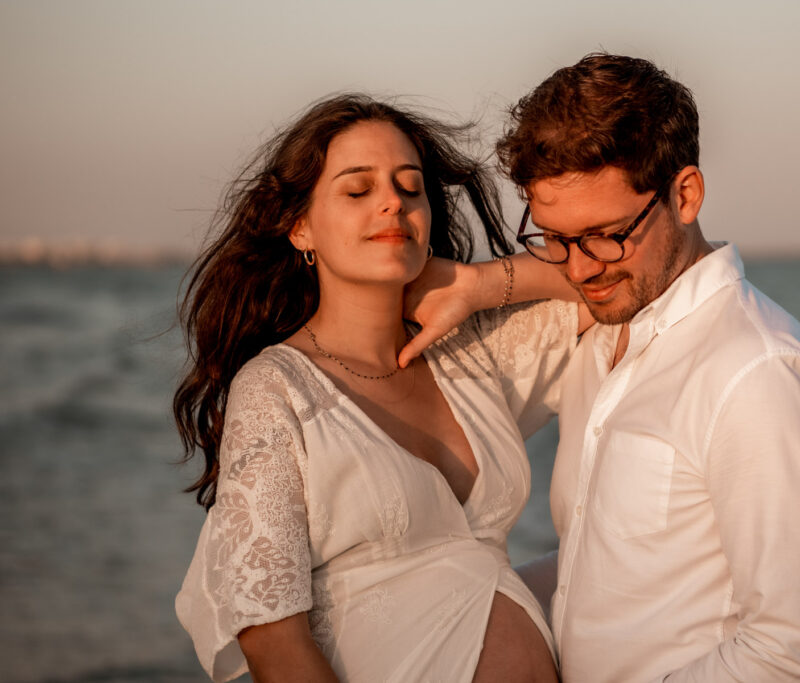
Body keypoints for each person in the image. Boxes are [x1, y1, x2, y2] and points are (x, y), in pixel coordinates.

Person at [402, 53, 800, 682]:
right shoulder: (601, 338)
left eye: (606, 234)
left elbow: (792, 659)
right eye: (556, 238)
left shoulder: (757, 377)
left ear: (686, 194)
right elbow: (604, 567)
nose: (581, 269)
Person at [173, 94, 592, 682]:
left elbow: (617, 282)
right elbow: (274, 642)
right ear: (299, 226)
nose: (393, 201)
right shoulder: (275, 391)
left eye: (410, 186)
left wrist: (476, 283)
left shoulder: (469, 355)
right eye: (357, 189)